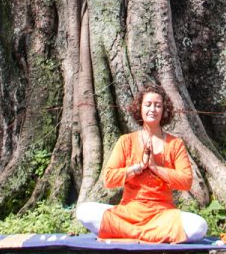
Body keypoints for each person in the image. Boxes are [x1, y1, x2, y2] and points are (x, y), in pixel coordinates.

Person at [75, 85, 208, 244]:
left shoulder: (175, 144)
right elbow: (109, 179)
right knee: (84, 211)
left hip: (162, 216)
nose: (153, 109)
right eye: (148, 104)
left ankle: (128, 237)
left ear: (164, 110)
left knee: (199, 226)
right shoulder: (126, 141)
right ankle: (149, 237)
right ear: (140, 108)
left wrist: (155, 167)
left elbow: (186, 182)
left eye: (158, 105)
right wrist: (138, 167)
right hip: (128, 214)